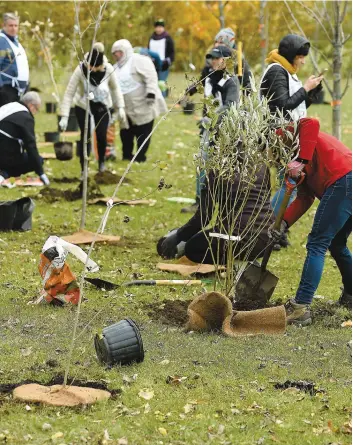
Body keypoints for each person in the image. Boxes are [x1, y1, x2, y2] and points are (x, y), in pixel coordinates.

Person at [270, 131, 352, 324]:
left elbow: (311, 123)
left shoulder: (296, 133)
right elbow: (305, 197)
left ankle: (300, 307)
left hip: (343, 180)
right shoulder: (294, 158)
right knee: (337, 243)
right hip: (347, 182)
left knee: (317, 243)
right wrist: (284, 222)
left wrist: (300, 160)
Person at [260, 34, 323, 248]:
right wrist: (305, 89)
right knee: (290, 186)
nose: (303, 61)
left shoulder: (286, 71)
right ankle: (265, 227)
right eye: (301, 57)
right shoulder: (276, 70)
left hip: (288, 136)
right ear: (292, 56)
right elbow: (281, 106)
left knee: (288, 185)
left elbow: (296, 109)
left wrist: (311, 93)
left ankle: (274, 228)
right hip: (279, 137)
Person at [158, 158, 274, 266]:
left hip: (239, 237)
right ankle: (244, 257)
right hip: (268, 237)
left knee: (193, 247)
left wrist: (179, 236)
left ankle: (239, 264)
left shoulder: (218, 168)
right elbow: (267, 200)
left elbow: (203, 217)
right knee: (213, 234)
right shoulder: (261, 164)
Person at [182, 45, 240, 214]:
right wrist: (187, 92)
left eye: (217, 58)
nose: (213, 61)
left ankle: (226, 203)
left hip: (226, 129)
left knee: (224, 167)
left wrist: (212, 119)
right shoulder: (209, 75)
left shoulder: (231, 81)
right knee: (202, 161)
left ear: (226, 61)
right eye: (212, 58)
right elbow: (199, 84)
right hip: (208, 127)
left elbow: (231, 106)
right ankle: (200, 201)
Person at [59, 43, 127, 174]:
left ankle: (101, 162)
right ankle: (84, 167)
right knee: (85, 137)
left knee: (102, 136)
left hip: (102, 107)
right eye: (92, 67)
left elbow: (115, 88)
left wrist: (121, 107)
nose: (94, 70)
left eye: (97, 68)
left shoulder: (108, 70)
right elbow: (69, 93)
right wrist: (64, 116)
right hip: (83, 107)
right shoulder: (80, 70)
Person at [111, 39, 167, 163]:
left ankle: (140, 157)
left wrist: (151, 93)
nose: (117, 56)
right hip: (125, 109)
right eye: (114, 54)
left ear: (126, 51)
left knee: (143, 133)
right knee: (125, 133)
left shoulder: (140, 61)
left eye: (119, 52)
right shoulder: (115, 68)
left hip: (143, 105)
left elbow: (151, 77)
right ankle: (126, 156)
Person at [0, 91, 49, 186]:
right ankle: (4, 174)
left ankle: (3, 172)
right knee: (38, 160)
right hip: (4, 152)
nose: (35, 113)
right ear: (31, 106)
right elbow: (31, 145)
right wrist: (41, 173)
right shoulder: (25, 117)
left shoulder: (11, 106)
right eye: (36, 109)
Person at [0, 13, 29, 102]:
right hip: (7, 90)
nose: (14, 28)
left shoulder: (16, 42)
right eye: (11, 25)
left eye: (16, 25)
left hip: (18, 90)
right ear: (3, 26)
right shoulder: (2, 42)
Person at [148, 19, 174, 95]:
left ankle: (163, 96)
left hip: (164, 64)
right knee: (154, 81)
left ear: (163, 28)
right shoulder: (151, 38)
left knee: (161, 82)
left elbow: (172, 53)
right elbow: (149, 49)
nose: (159, 29)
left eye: (160, 27)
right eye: (157, 27)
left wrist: (168, 61)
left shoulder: (168, 38)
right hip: (153, 64)